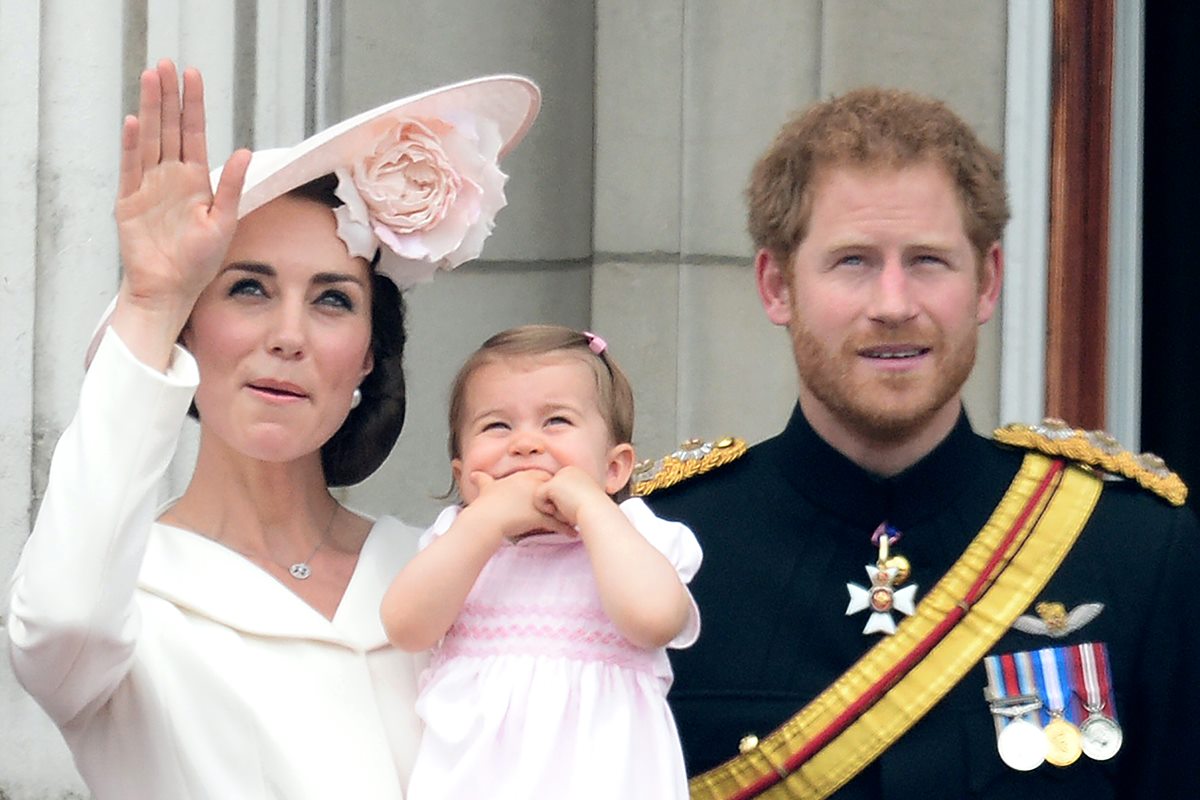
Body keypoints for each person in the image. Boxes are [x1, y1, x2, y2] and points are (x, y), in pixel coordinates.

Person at [640, 87, 1200, 799]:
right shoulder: (661, 551)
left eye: (929, 260)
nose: (895, 303)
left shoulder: (1132, 549)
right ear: (777, 285)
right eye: (853, 262)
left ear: (987, 282)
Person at [7, 59, 539, 799]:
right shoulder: (123, 595)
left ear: (367, 357)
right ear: (191, 333)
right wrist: (154, 299)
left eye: (332, 301)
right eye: (249, 289)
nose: (289, 336)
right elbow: (57, 620)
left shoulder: (438, 570)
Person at [381, 325, 701, 799]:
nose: (525, 444)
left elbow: (655, 621)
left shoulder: (632, 536)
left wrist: (592, 509)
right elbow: (405, 628)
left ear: (614, 469)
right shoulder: (462, 542)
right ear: (464, 473)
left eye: (556, 422)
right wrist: (484, 521)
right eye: (497, 426)